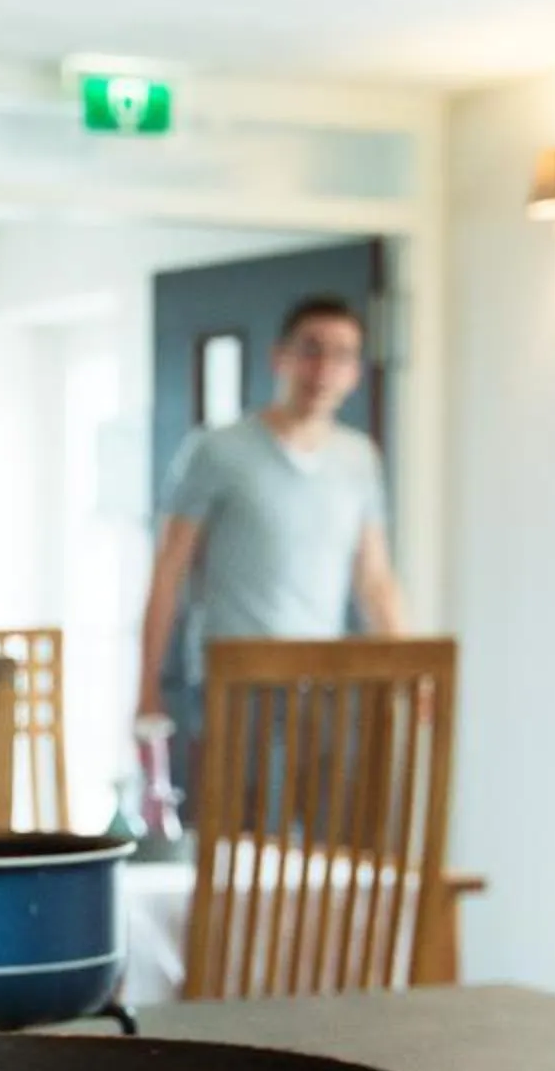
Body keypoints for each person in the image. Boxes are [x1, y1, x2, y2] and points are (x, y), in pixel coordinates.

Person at [133, 294, 408, 813]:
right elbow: (168, 571)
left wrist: (410, 668)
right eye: (311, 350)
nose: (324, 368)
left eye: (343, 355)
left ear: (355, 372)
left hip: (323, 682)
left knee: (322, 842)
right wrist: (146, 687)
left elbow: (374, 579)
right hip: (233, 680)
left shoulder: (359, 460)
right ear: (279, 357)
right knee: (241, 833)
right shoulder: (216, 451)